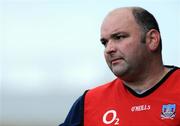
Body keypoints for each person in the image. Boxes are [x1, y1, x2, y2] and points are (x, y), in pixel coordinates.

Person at [59, 6, 180, 126]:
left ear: (152, 39)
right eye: (104, 43)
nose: (109, 49)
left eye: (119, 37)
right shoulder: (88, 103)